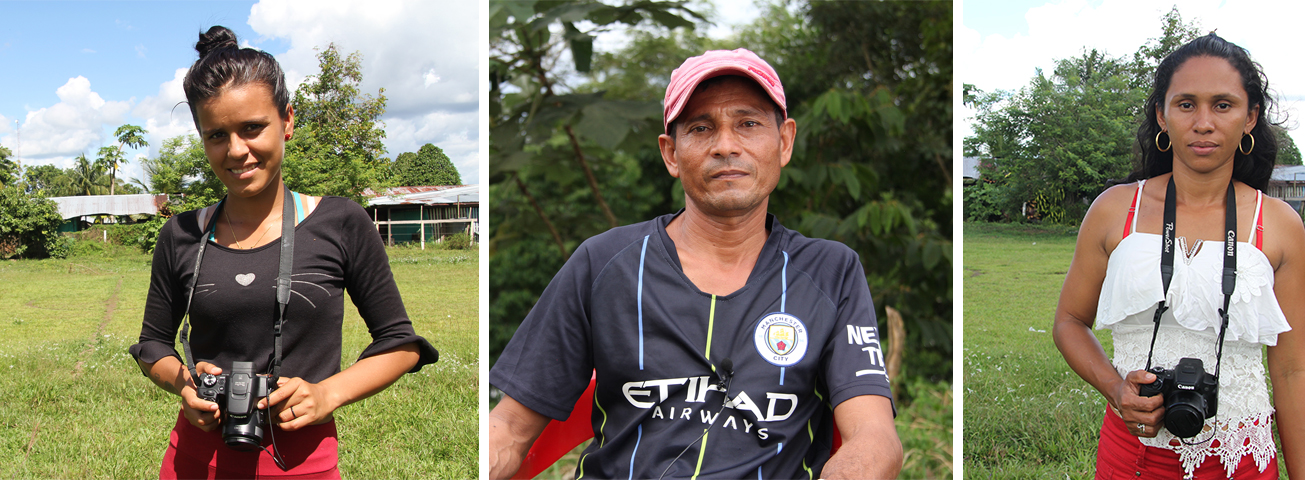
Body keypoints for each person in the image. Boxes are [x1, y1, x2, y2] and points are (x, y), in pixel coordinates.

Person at [487, 48, 902, 480]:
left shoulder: (830, 271)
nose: (726, 146)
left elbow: (874, 439)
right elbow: (510, 429)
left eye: (748, 123)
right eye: (702, 128)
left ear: (784, 142)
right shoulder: (603, 263)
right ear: (671, 153)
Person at [129, 26, 438, 479]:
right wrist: (185, 385)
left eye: (253, 128)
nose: (237, 151)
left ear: (287, 120)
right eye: (217, 135)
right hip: (194, 459)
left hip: (300, 463)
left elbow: (401, 345)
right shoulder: (180, 233)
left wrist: (327, 395)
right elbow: (153, 344)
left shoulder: (342, 223)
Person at [1052, 34, 1305, 480]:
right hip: (1132, 454)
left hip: (1243, 457)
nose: (1204, 123)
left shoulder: (1279, 224)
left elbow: (1292, 370)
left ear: (1250, 117)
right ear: (1162, 114)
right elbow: (1068, 322)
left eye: (1223, 105)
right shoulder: (1116, 210)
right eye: (1186, 104)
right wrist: (1117, 389)